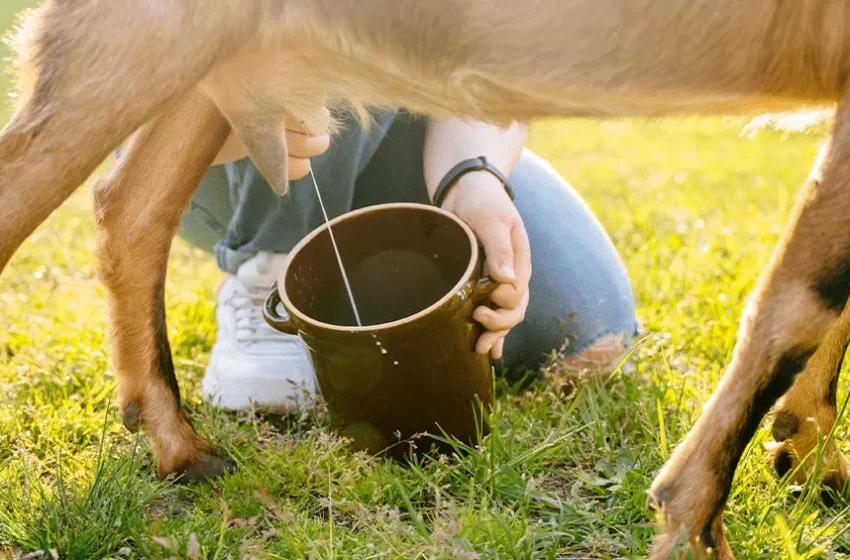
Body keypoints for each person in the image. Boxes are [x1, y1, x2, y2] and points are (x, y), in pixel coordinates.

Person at [178, 107, 639, 412]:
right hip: (217, 143)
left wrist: (472, 176)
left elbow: (483, 53)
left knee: (587, 326)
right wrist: (231, 116)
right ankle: (269, 269)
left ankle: (347, 270)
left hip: (399, 137)